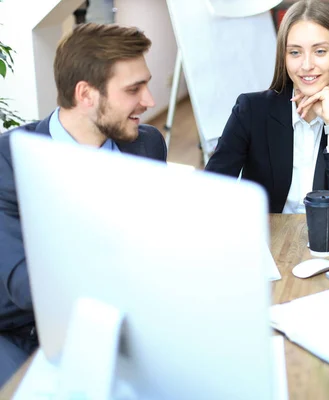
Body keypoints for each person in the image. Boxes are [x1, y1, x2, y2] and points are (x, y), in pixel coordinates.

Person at [0, 23, 166, 385]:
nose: (149, 101)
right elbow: (27, 284)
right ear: (86, 94)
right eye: (134, 89)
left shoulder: (147, 145)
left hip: (117, 319)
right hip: (18, 330)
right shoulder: (8, 161)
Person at [205, 0, 329, 219]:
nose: (306, 65)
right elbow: (211, 189)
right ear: (283, 57)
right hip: (268, 241)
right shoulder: (251, 110)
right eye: (295, 53)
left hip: (325, 242)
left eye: (320, 51)